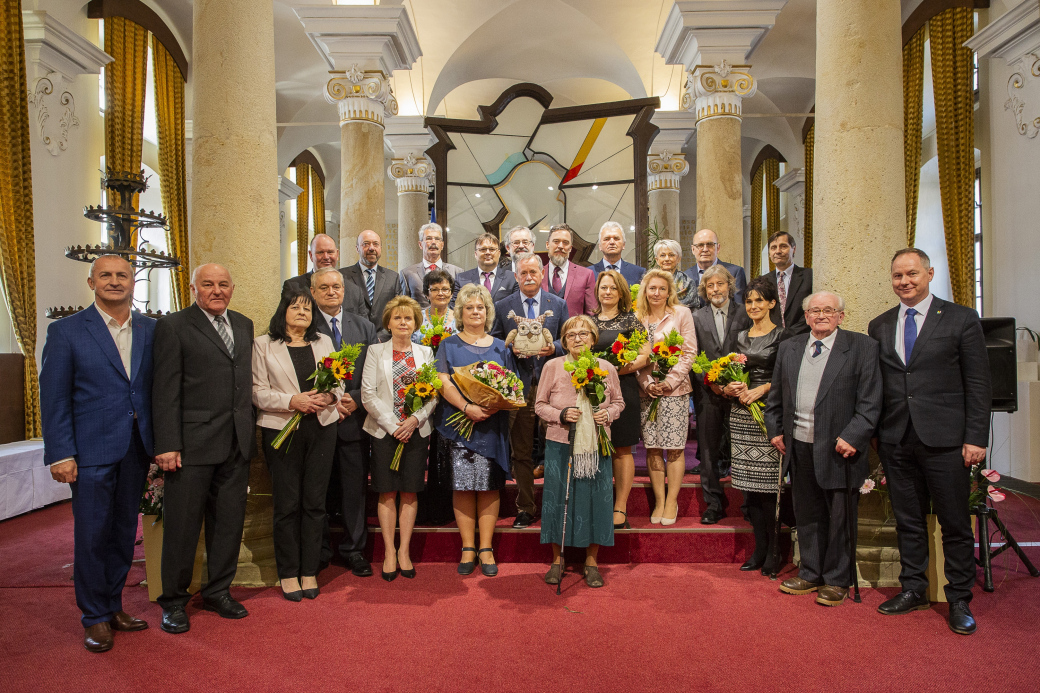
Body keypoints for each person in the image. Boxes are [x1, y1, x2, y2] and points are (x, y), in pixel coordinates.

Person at [867, 248, 991, 635]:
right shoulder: (880, 324)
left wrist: (975, 437)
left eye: (912, 274)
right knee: (908, 520)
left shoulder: (961, 319)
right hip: (896, 438)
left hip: (946, 440)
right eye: (897, 276)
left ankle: (958, 598)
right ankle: (914, 589)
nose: (904, 282)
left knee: (955, 522)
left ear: (930, 273)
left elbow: (978, 383)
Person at [40, 255, 154, 653]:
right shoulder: (67, 331)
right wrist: (60, 453)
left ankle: (114, 605)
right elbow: (54, 399)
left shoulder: (150, 330)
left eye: (122, 275)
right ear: (91, 282)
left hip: (136, 448)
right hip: (88, 452)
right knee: (91, 536)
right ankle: (94, 617)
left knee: (124, 533)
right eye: (105, 275)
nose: (114, 281)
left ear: (132, 283)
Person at [152, 263, 255, 634]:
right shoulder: (174, 326)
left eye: (223, 284)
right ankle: (174, 601)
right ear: (193, 288)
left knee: (227, 523)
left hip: (235, 442)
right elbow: (164, 390)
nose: (217, 290)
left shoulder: (243, 325)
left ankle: (218, 591)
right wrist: (166, 443)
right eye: (208, 284)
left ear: (232, 288)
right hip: (191, 446)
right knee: (182, 527)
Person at [767, 291, 882, 606]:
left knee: (839, 516)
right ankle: (811, 571)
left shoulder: (862, 348)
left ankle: (837, 579)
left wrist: (854, 435)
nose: (820, 315)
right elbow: (776, 397)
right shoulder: (790, 347)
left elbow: (871, 401)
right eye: (814, 310)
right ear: (805, 317)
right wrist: (775, 430)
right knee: (807, 512)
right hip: (799, 445)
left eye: (828, 310)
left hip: (839, 447)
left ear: (841, 316)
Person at [252, 287, 340, 601]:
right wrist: (293, 400)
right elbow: (257, 392)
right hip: (281, 432)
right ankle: (288, 573)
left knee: (315, 504)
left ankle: (308, 570)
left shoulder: (324, 342)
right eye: (295, 307)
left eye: (307, 308)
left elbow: (338, 384)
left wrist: (330, 396)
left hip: (321, 428)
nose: (302, 312)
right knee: (287, 505)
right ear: (283, 311)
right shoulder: (264, 344)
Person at [435, 284, 519, 577]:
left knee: (488, 484)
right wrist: (466, 407)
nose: (475, 312)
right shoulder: (448, 344)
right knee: (462, 485)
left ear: (488, 312)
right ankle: (468, 547)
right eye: (469, 307)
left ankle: (486, 547)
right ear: (460, 312)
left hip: (491, 425)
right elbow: (442, 380)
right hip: (457, 423)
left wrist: (497, 403)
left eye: (480, 307)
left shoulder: (499, 347)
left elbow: (511, 384)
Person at [536, 315, 625, 588]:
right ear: (564, 341)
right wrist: (561, 413)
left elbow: (619, 403)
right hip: (560, 443)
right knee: (556, 499)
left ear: (594, 339)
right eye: (572, 335)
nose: (578, 339)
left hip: (596, 444)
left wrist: (607, 414)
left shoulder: (606, 367)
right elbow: (539, 405)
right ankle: (557, 559)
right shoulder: (552, 366)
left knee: (596, 500)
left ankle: (591, 561)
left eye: (584, 334)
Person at [361, 296, 439, 581]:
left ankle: (404, 550)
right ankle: (388, 552)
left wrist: (415, 420)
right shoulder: (375, 351)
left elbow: (433, 394)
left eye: (408, 318)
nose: (403, 322)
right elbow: (367, 394)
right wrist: (395, 425)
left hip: (416, 431)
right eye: (398, 318)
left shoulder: (425, 353)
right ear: (389, 322)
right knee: (387, 491)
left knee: (409, 490)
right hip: (384, 431)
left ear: (416, 322)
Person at [491, 253, 568, 528]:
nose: (528, 277)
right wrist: (509, 346)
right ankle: (525, 506)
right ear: (516, 276)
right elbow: (495, 340)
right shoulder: (503, 306)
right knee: (521, 450)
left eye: (533, 272)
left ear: (542, 273)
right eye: (523, 273)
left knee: (557, 447)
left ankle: (557, 504)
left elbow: (566, 338)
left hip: (553, 386)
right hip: (518, 385)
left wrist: (554, 348)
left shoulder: (557, 304)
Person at [310, 267, 377, 578]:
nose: (331, 291)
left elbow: (373, 371)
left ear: (344, 290)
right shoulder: (302, 326)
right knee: (317, 491)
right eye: (324, 287)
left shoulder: (363, 327)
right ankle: (319, 550)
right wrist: (331, 399)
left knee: (354, 490)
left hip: (353, 421)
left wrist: (356, 398)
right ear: (313, 292)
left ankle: (354, 550)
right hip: (317, 422)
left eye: (336, 286)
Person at [723, 276, 785, 576]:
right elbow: (725, 373)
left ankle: (775, 551)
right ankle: (759, 549)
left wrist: (762, 389)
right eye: (749, 301)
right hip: (741, 415)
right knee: (750, 490)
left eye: (760, 300)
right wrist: (730, 387)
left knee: (769, 489)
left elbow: (790, 376)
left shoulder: (783, 336)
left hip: (769, 413)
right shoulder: (740, 336)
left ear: (772, 303)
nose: (754, 306)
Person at [635, 269, 697, 525]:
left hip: (676, 391)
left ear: (669, 291)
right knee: (652, 448)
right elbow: (632, 356)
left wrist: (670, 382)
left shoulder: (682, 313)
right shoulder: (638, 317)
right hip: (647, 392)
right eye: (652, 288)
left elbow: (689, 352)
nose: (657, 293)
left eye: (662, 288)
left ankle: (672, 500)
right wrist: (647, 383)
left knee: (674, 448)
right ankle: (659, 500)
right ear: (645, 291)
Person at [690, 265, 750, 524]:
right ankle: (713, 503)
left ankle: (749, 503)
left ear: (730, 286)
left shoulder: (746, 313)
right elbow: (693, 357)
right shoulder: (696, 317)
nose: (716, 289)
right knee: (709, 450)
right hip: (709, 392)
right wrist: (712, 384)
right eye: (710, 285)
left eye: (720, 284)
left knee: (743, 448)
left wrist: (738, 385)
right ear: (704, 289)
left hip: (741, 393)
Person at [591, 269, 648, 529]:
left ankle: (620, 506)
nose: (608, 292)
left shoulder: (632, 321)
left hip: (623, 389)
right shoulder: (588, 322)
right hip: (592, 391)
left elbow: (642, 357)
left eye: (613, 288)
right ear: (597, 291)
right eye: (604, 287)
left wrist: (612, 371)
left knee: (622, 449)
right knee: (593, 448)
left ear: (621, 292)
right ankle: (598, 502)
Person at [280, 233, 365, 314]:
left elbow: (363, 327)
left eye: (330, 252)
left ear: (337, 254)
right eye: (320, 252)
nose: (326, 257)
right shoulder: (293, 287)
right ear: (311, 255)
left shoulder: (355, 291)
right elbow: (280, 323)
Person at [341, 229, 401, 332]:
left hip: (384, 340)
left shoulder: (393, 277)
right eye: (366, 244)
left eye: (376, 244)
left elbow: (397, 311)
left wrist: (382, 336)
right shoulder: (342, 276)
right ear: (357, 248)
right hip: (353, 339)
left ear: (381, 248)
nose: (371, 248)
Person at [759, 231, 812, 336]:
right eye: (773, 248)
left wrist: (789, 333)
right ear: (769, 253)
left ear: (794, 249)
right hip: (773, 341)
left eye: (783, 246)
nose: (778, 251)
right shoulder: (763, 281)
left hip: (803, 337)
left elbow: (813, 310)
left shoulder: (809, 276)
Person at [399, 223, 462, 309]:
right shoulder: (407, 274)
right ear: (420, 244)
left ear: (442, 245)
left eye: (437, 239)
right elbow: (404, 306)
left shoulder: (457, 272)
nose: (433, 242)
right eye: (428, 239)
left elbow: (461, 304)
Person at [542, 223, 597, 316]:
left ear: (570, 248)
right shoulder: (537, 274)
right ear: (547, 245)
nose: (560, 246)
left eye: (565, 242)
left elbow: (591, 313)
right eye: (556, 241)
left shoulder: (586, 275)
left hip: (574, 330)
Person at [684, 228, 747, 307]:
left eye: (710, 245)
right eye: (700, 245)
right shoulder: (685, 276)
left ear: (718, 248)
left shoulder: (735, 272)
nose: (705, 249)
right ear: (693, 249)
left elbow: (740, 307)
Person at [453, 232, 519, 305]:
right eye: (483, 249)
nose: (488, 253)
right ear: (475, 254)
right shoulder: (461, 279)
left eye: (492, 249)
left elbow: (516, 306)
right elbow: (455, 308)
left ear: (499, 253)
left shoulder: (512, 278)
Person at [590, 221, 645, 286]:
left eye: (616, 238)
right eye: (607, 239)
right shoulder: (589, 273)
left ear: (623, 244)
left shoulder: (638, 273)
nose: (612, 242)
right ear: (600, 246)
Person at [652, 239, 699, 311]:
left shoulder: (687, 282)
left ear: (679, 259)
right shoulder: (649, 281)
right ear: (657, 260)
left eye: (671, 255)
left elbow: (694, 309)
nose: (667, 259)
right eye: (662, 255)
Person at [413, 269, 457, 343]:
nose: (440, 293)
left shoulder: (459, 319)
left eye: (445, 289)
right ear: (427, 294)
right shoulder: (417, 318)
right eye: (435, 289)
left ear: (451, 293)